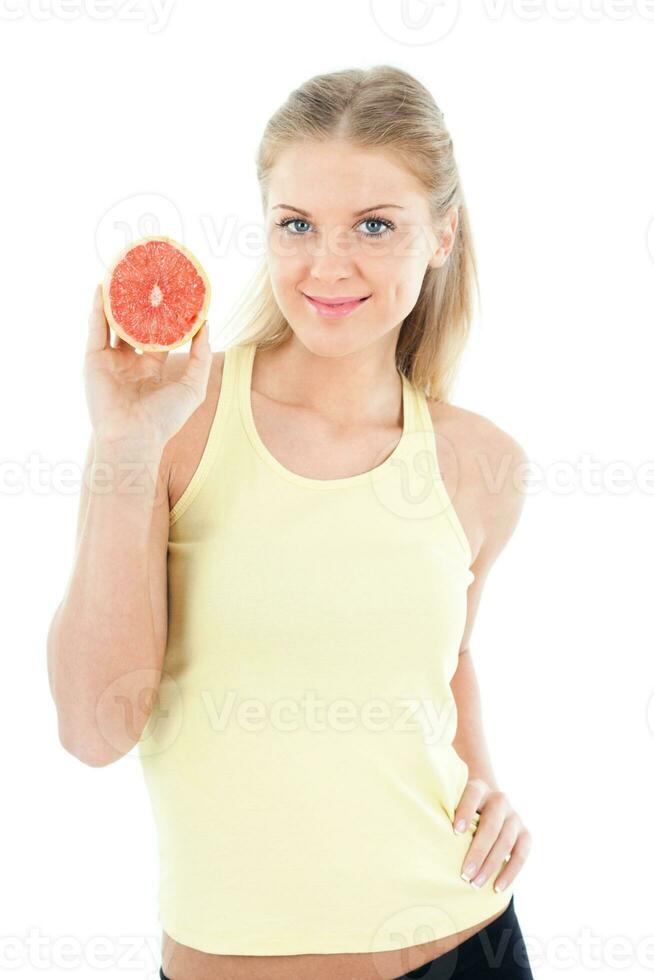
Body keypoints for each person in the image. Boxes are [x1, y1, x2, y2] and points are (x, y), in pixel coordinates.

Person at [47, 65, 534, 980]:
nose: (327, 264)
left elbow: (446, 658)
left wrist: (489, 786)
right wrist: (123, 445)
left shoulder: (482, 464)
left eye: (375, 226)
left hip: (465, 947)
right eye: (297, 224)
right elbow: (91, 729)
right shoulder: (172, 419)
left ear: (443, 235)